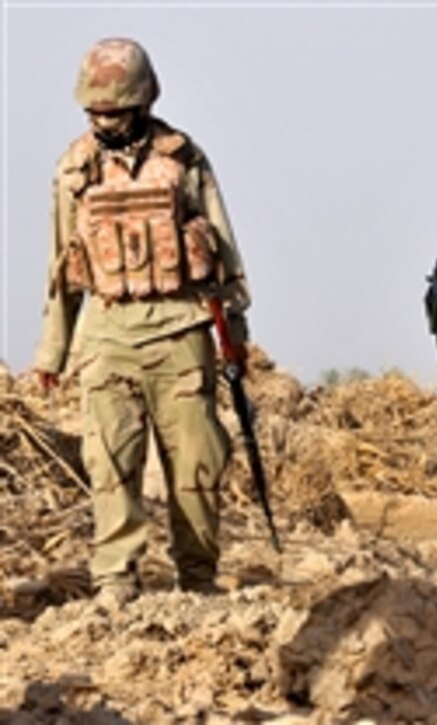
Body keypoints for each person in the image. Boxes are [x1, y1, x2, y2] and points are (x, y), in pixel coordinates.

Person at [32, 38, 252, 606]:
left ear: (142, 102)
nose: (102, 120)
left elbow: (224, 251)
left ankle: (198, 580)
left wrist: (236, 338)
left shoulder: (184, 160)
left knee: (198, 466)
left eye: (114, 109)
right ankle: (116, 581)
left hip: (181, 333)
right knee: (109, 464)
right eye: (94, 111)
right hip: (107, 336)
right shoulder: (74, 169)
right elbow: (61, 267)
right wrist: (51, 356)